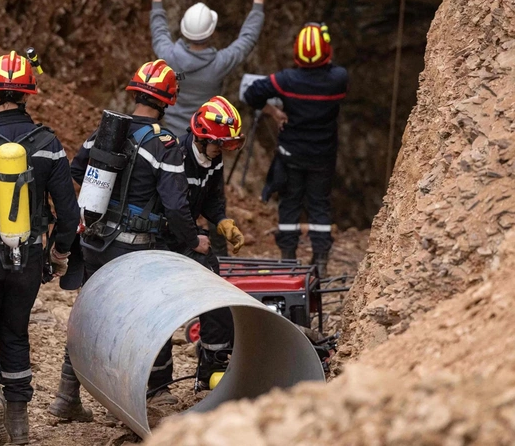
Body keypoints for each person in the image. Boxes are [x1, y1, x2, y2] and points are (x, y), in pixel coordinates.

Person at [48, 59, 209, 419]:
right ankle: (152, 396)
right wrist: (193, 240)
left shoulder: (107, 131)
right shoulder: (165, 144)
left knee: (88, 316)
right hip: (135, 248)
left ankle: (66, 397)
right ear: (168, 101)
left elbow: (77, 170)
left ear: (135, 92)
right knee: (148, 319)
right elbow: (174, 204)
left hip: (94, 243)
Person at [0, 51, 80, 446]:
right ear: (29, 95)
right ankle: (19, 422)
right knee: (17, 332)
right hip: (29, 256)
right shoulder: (49, 144)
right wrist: (57, 257)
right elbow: (69, 212)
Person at [140, 0, 281, 255]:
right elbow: (247, 40)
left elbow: (159, 31)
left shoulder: (169, 56)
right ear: (211, 31)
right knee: (211, 193)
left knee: (169, 194)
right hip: (207, 141)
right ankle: (219, 252)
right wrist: (258, 0)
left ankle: (168, 247)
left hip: (170, 141)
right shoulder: (219, 63)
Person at [243, 22, 348, 277]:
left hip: (291, 155)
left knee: (290, 203)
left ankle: (288, 257)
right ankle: (320, 260)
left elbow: (251, 94)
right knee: (319, 204)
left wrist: (273, 111)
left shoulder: (286, 81)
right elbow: (330, 68)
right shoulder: (339, 79)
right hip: (322, 156)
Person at [174, 96, 246, 388]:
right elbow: (172, 207)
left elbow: (212, 199)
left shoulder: (213, 161)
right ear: (201, 138)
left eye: (229, 145)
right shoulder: (175, 156)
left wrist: (222, 222)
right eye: (219, 144)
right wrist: (193, 240)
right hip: (166, 234)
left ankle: (211, 368)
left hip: (189, 231)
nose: (222, 151)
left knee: (218, 297)